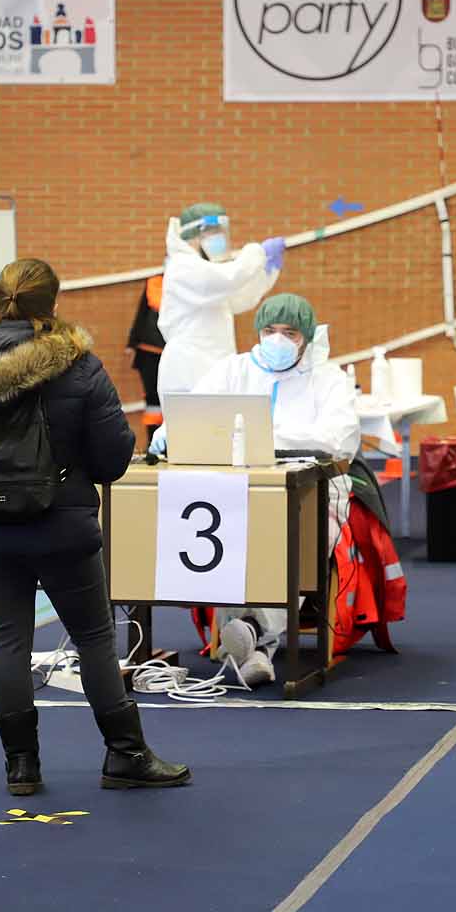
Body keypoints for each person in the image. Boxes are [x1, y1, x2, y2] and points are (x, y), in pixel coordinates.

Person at [0, 259, 190, 795]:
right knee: (92, 639)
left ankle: (21, 765)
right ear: (53, 306)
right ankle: (125, 754)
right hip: (62, 526)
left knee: (8, 638)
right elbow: (113, 459)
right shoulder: (78, 367)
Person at [150, 293, 360, 686]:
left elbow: (340, 438)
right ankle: (258, 647)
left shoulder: (328, 379)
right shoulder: (233, 370)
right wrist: (167, 432)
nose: (277, 339)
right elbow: (195, 411)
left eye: (289, 332)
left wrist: (266, 434)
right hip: (238, 490)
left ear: (306, 337)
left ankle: (253, 633)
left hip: (313, 492)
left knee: (290, 544)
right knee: (227, 542)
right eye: (269, 330)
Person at [155, 202, 285, 395]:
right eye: (213, 232)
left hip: (213, 365)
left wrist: (266, 274)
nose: (220, 238)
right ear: (194, 235)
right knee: (191, 424)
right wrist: (256, 252)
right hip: (187, 370)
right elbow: (230, 277)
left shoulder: (204, 271)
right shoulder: (182, 267)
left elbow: (237, 299)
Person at [124, 274, 166, 446]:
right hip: (149, 352)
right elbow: (142, 314)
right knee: (153, 401)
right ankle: (153, 443)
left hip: (173, 352)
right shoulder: (154, 282)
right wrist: (132, 344)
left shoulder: (189, 281)